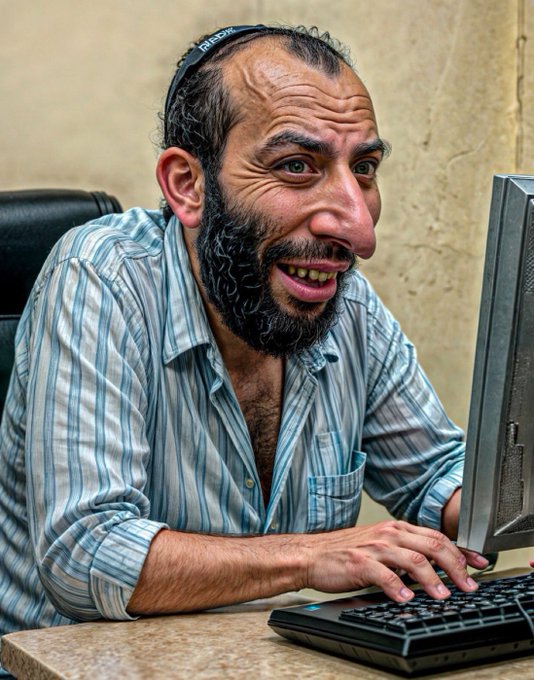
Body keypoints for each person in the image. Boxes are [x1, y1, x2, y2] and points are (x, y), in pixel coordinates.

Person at [0, 24, 488, 643]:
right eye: (296, 166)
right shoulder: (103, 276)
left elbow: (435, 472)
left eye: (364, 168)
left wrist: (502, 503)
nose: (358, 230)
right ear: (189, 185)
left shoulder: (345, 304)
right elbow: (84, 555)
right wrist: (310, 556)